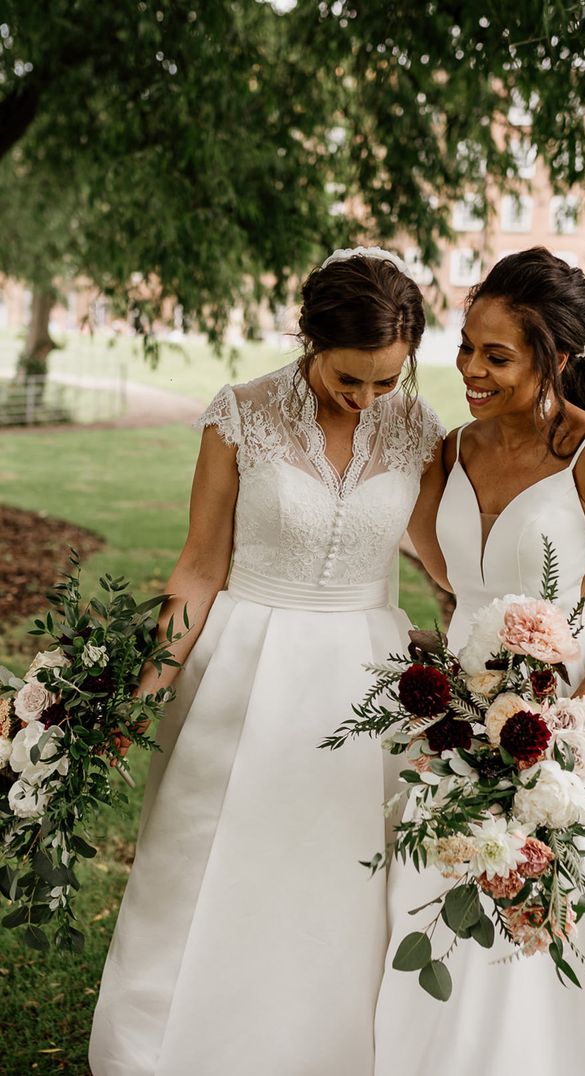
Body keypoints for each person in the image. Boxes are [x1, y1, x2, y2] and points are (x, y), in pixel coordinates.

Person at [88, 247, 446, 1076]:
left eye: (385, 381)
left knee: (343, 879)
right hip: (245, 667)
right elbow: (199, 567)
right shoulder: (238, 415)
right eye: (348, 379)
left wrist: (495, 666)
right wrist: (143, 697)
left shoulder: (421, 432)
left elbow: (440, 564)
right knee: (209, 859)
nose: (364, 399)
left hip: (368, 678)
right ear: (311, 340)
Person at [374, 248, 585, 1076]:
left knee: (572, 902)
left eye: (498, 356)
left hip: (568, 716)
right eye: (465, 348)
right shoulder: (450, 452)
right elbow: (448, 575)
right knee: (450, 887)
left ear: (556, 359)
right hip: (459, 715)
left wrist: (578, 717)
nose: (471, 371)